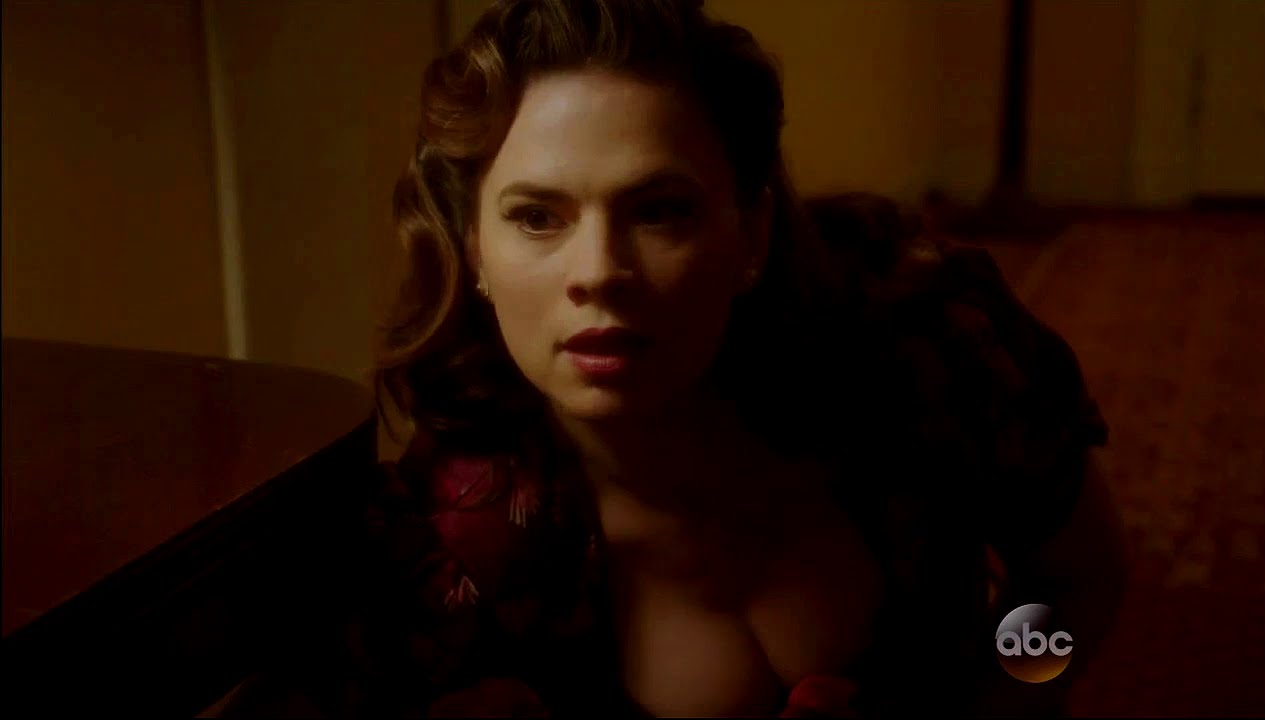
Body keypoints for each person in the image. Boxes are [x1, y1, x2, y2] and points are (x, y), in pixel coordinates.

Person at [218, 0, 1128, 716]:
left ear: (752, 233)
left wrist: (1005, 699)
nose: (599, 272)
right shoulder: (456, 545)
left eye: (660, 210)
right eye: (537, 217)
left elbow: (1075, 582)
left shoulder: (933, 343)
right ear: (474, 254)